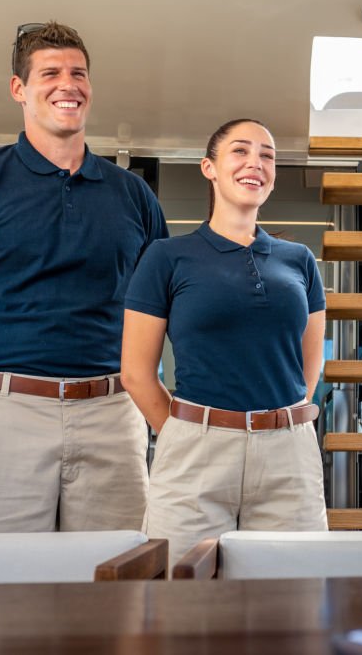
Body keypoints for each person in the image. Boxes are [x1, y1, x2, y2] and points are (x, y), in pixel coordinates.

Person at [0, 21, 168, 533]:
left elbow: (157, 313)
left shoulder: (134, 196)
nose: (68, 84)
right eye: (50, 73)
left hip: (111, 416)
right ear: (19, 90)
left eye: (78, 73)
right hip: (0, 418)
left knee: (113, 591)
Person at [121, 118, 327, 566]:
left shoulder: (300, 261)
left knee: (294, 600)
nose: (256, 162)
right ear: (209, 168)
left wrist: (281, 426)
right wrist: (186, 433)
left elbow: (309, 364)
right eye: (240, 150)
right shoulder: (166, 257)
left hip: (289, 455)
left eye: (267, 155)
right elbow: (136, 373)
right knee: (180, 602)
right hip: (196, 450)